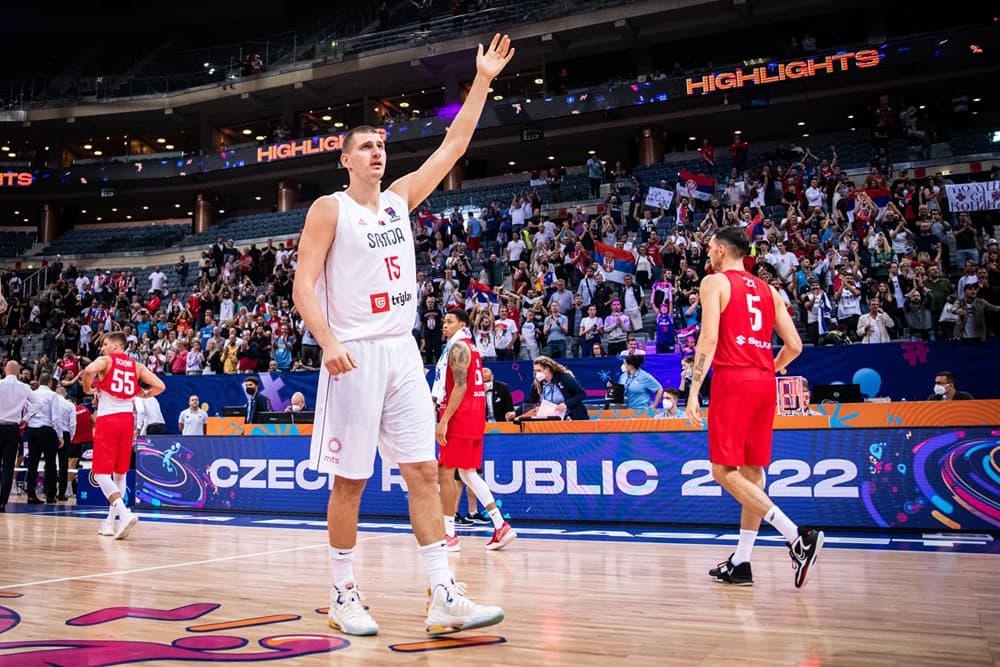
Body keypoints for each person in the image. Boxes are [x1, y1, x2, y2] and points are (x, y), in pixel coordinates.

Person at [291, 34, 513, 637]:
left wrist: (483, 80)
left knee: (423, 472)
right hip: (354, 355)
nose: (376, 153)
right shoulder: (329, 209)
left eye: (381, 145)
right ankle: (342, 593)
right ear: (345, 159)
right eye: (365, 147)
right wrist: (328, 341)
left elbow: (454, 144)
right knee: (352, 482)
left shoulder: (398, 200)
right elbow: (302, 288)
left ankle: (442, 593)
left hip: (402, 353)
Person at [686, 226, 823, 589]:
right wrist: (764, 370)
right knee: (752, 472)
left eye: (709, 248)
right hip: (765, 382)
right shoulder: (770, 290)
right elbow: (794, 346)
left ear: (719, 250)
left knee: (721, 470)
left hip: (733, 381)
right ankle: (742, 562)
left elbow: (709, 338)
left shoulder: (714, 282)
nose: (708, 253)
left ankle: (796, 535)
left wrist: (694, 388)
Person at [434, 309, 517, 553]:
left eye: (449, 321)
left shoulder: (459, 347)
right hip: (473, 415)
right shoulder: (469, 346)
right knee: (468, 473)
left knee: (445, 471)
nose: (444, 326)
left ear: (462, 323)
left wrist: (445, 419)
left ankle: (448, 534)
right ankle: (500, 525)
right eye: (443, 321)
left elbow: (460, 385)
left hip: (460, 416)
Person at [81, 332, 165, 539]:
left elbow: (87, 370)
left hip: (108, 420)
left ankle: (124, 513)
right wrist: (144, 394)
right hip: (128, 421)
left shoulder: (105, 361)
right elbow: (160, 386)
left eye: (106, 344)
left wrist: (87, 388)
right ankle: (110, 523)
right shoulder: (137, 367)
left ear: (116, 347)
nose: (102, 348)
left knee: (101, 473)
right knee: (120, 473)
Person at [0, 361, 40, 512]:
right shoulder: (24, 387)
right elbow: (37, 403)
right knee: (8, 467)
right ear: (18, 372)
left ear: (5, 369)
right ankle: (2, 502)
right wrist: (26, 419)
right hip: (13, 428)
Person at [507, 356, 589, 421]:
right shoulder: (538, 383)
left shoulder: (563, 377)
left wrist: (566, 404)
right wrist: (515, 413)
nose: (537, 373)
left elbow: (581, 394)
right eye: (535, 371)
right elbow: (530, 402)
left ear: (547, 369)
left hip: (573, 418)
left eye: (539, 370)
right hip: (553, 420)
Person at [24, 374, 61, 504]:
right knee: (50, 462)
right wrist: (60, 435)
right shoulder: (52, 395)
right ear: (50, 382)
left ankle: (31, 494)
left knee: (32, 463)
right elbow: (56, 417)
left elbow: (26, 411)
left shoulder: (33, 394)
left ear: (39, 382)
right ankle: (50, 494)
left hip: (32, 429)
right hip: (47, 429)